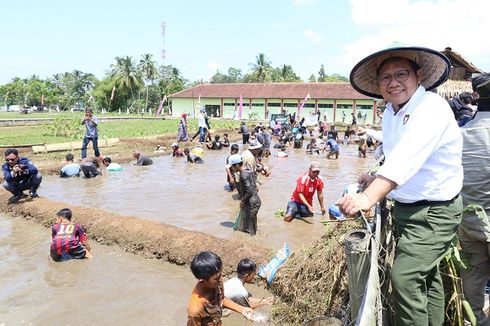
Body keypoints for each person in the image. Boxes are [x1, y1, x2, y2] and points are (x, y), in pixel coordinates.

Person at [338, 44, 463, 325]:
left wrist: (367, 197)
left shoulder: (432, 108)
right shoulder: (390, 113)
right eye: (386, 78)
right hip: (407, 208)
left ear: (419, 75)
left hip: (435, 212)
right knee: (426, 279)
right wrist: (375, 177)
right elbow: (395, 157)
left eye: (401, 74)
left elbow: (406, 160)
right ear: (379, 84)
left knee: (405, 278)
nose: (393, 83)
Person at [459, 73, 490, 325]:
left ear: (476, 97)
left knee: (472, 281)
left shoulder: (460, 134)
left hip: (467, 221)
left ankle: (475, 321)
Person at [187, 251, 253, 325]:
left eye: (220, 274)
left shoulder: (217, 282)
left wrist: (242, 309)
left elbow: (221, 299)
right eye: (217, 278)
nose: (221, 278)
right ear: (202, 280)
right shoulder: (196, 309)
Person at [229, 154, 261, 236]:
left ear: (236, 165)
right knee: (251, 224)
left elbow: (249, 191)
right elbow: (255, 188)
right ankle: (254, 238)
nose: (231, 169)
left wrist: (243, 201)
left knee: (251, 229)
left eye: (232, 167)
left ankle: (253, 241)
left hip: (252, 203)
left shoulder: (243, 175)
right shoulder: (248, 170)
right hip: (255, 201)